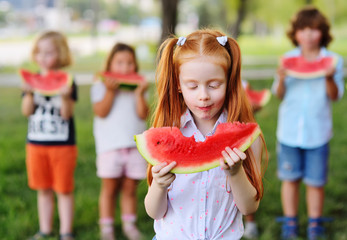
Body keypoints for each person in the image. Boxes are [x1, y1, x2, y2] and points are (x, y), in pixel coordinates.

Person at [144, 29, 268, 240]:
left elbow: (249, 208)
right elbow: (154, 212)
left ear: (229, 82)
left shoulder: (246, 141)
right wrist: (159, 184)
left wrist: (236, 173)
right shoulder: (169, 132)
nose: (203, 96)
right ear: (178, 85)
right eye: (192, 86)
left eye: (214, 85)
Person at [272, 6, 344, 240]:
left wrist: (329, 77)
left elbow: (335, 96)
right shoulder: (287, 59)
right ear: (296, 33)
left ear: (322, 32)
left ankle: (315, 225)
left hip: (318, 132)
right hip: (289, 132)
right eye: (303, 30)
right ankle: (290, 224)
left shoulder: (334, 60)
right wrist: (282, 78)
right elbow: (279, 94)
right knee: (289, 179)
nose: (309, 35)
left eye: (314, 29)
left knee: (316, 181)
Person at [21, 31, 77, 240]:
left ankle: (66, 231)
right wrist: (28, 94)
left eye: (49, 52)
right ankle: (44, 229)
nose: (43, 57)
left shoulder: (68, 82)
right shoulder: (32, 81)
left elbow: (67, 114)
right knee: (42, 189)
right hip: (36, 144)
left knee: (63, 189)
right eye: (39, 52)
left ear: (61, 54)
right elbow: (26, 111)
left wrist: (65, 97)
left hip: (63, 145)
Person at [91, 43, 149, 240]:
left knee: (130, 189)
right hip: (110, 147)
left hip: (134, 147)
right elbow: (101, 111)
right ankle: (106, 227)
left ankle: (129, 225)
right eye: (120, 63)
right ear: (109, 64)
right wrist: (110, 91)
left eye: (129, 63)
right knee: (109, 189)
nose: (125, 68)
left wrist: (139, 94)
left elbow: (143, 114)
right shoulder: (99, 85)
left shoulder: (138, 87)